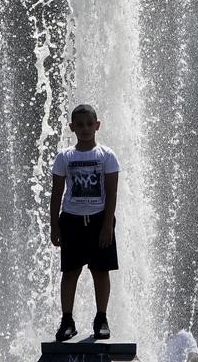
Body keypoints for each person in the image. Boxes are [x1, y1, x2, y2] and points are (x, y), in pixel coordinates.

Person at [50, 104, 120, 342]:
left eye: (89, 124)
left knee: (100, 271)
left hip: (100, 219)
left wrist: (107, 225)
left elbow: (112, 193)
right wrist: (54, 225)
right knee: (70, 272)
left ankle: (101, 318)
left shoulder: (107, 156)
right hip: (71, 221)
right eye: (79, 125)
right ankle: (67, 320)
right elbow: (57, 193)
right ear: (72, 128)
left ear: (97, 125)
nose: (85, 129)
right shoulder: (64, 157)